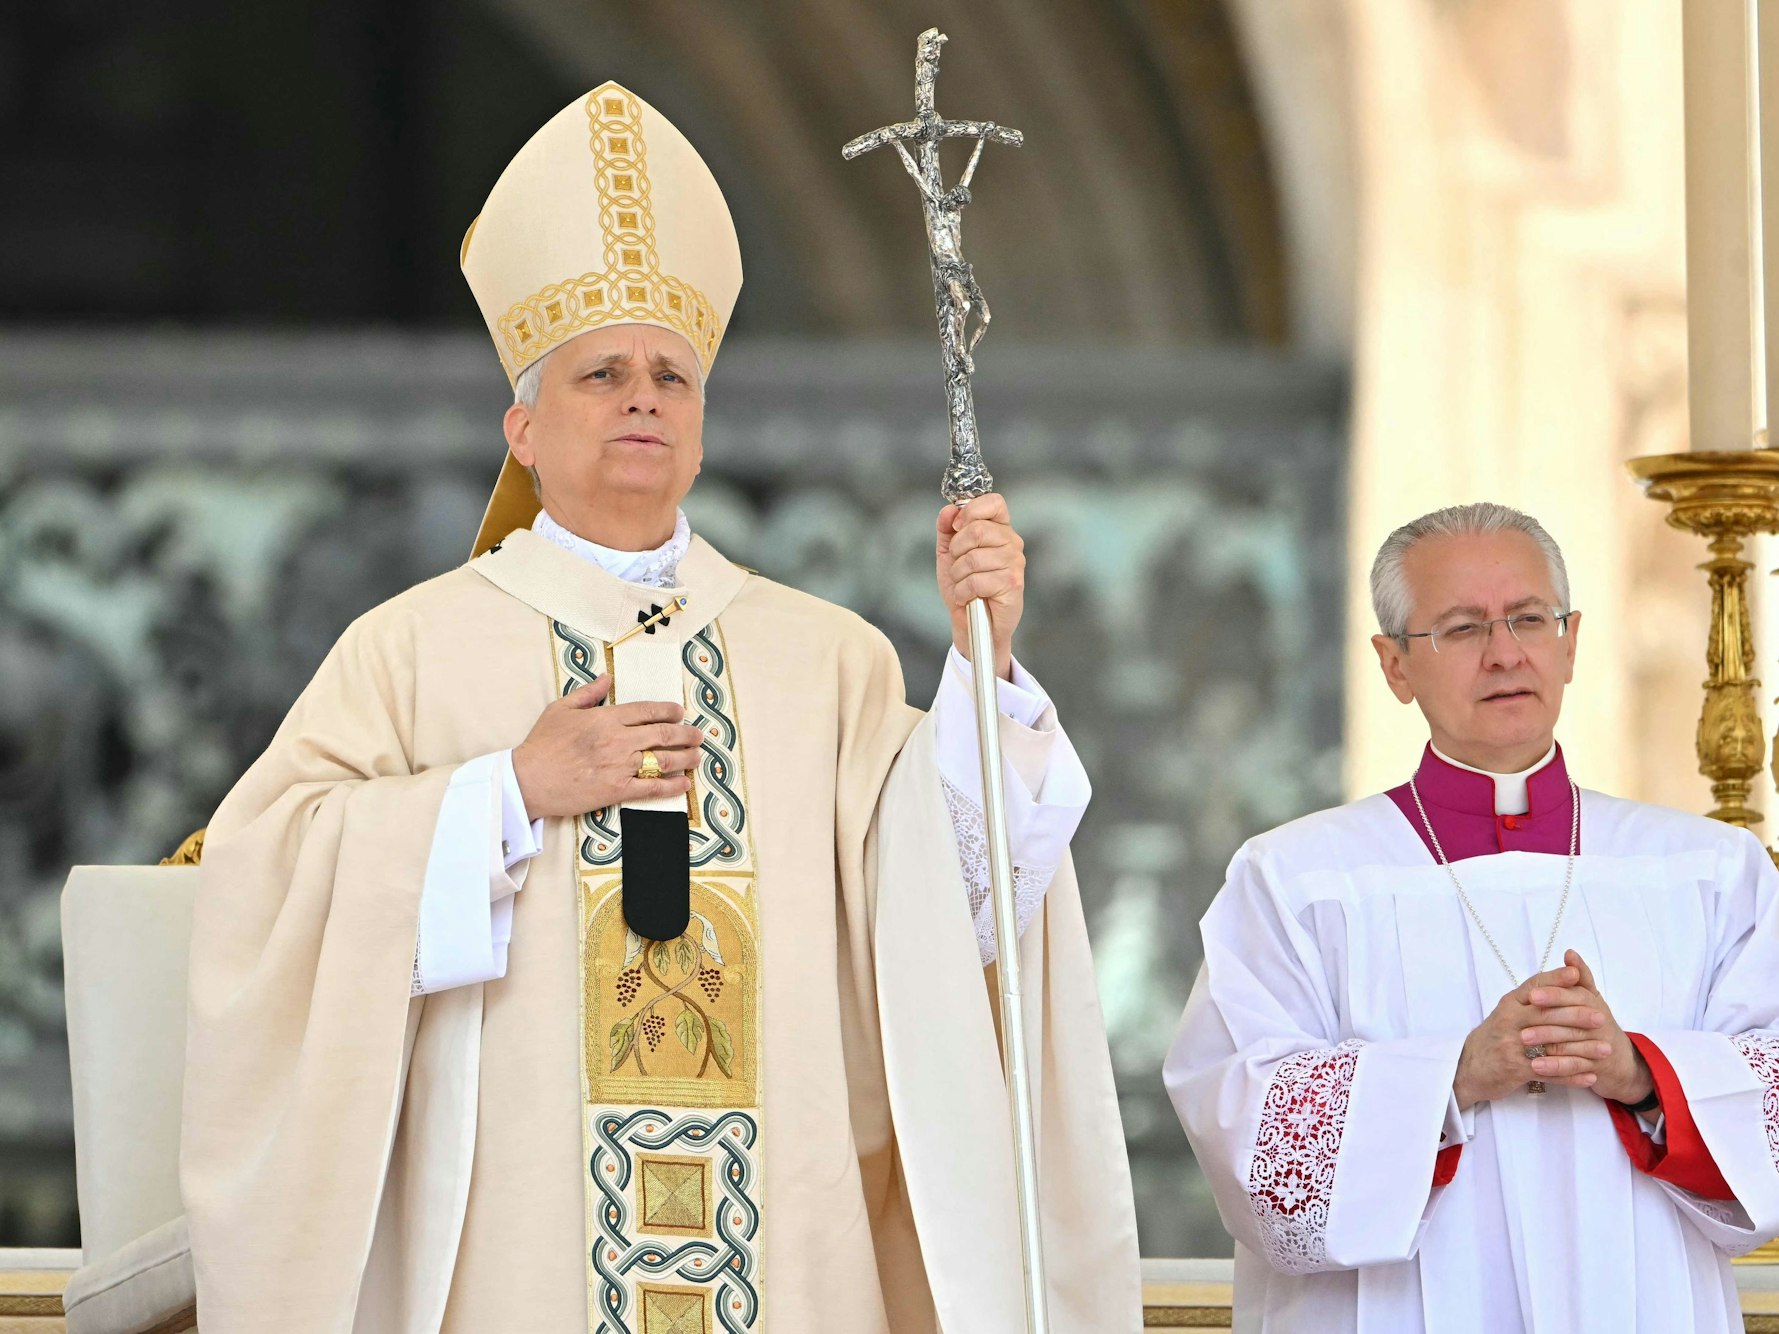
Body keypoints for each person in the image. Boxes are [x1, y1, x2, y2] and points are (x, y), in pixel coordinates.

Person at [180, 83, 1139, 1333]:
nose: (643, 395)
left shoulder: (826, 659)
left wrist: (986, 672)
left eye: (671, 376)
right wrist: (507, 791)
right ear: (521, 426)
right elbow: (263, 880)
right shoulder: (413, 647)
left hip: (777, 1243)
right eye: (602, 373)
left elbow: (944, 913)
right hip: (521, 1261)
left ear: (698, 423)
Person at [1164, 501, 1779, 1333]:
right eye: (1459, 629)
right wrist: (1452, 1075)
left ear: (1570, 642)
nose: (1504, 653)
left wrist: (1638, 1073)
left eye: (1529, 618)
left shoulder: (1706, 870)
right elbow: (1242, 1124)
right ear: (1393, 666)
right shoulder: (1296, 879)